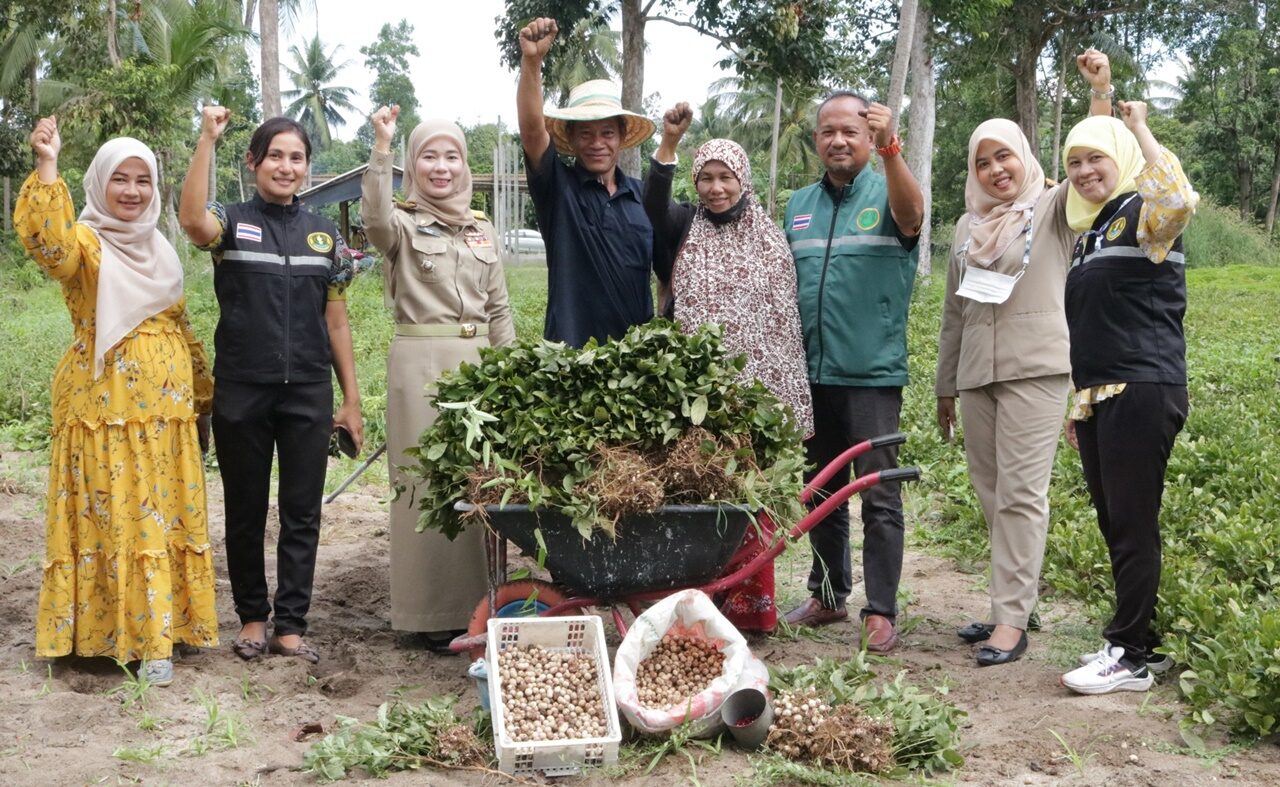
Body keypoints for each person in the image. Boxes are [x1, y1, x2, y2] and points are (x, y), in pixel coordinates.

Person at [17, 117, 218, 687]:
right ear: (99, 183)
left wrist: (202, 394)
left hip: (166, 413)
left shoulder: (161, 250)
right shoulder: (85, 242)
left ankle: (162, 632)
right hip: (101, 409)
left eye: (144, 180)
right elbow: (49, 247)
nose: (132, 191)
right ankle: (114, 635)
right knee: (112, 511)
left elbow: (181, 324)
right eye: (120, 180)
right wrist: (48, 164)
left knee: (159, 511)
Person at [935, 51, 1117, 667]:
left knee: (1020, 494)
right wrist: (945, 388)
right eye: (983, 161)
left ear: (1024, 157)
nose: (995, 169)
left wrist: (1100, 94)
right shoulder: (965, 226)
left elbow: (1094, 167)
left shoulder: (1052, 210)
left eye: (1004, 155)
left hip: (1037, 369)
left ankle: (1012, 621)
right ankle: (1014, 599)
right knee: (989, 491)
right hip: (977, 374)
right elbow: (955, 311)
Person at [179, 108, 364, 665]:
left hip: (308, 390)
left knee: (302, 510)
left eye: (297, 157)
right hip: (243, 388)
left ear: (307, 167)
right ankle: (253, 620)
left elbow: (336, 321)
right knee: (245, 507)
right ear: (254, 161)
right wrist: (206, 140)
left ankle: (291, 625)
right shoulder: (230, 222)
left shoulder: (325, 235)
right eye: (276, 156)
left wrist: (351, 400)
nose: (287, 167)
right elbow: (192, 221)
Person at [644, 103, 814, 632]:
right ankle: (698, 609)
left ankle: (751, 612)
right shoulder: (682, 225)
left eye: (726, 177)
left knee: (752, 502)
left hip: (760, 395)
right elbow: (652, 205)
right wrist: (669, 146)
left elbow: (780, 318)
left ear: (743, 179)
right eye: (707, 179)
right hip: (700, 392)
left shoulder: (768, 233)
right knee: (702, 492)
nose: (716, 188)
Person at [360, 105, 516, 650]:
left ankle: (474, 606)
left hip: (478, 368)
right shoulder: (401, 223)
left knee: (474, 484)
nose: (441, 166)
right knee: (424, 486)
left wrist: (509, 374)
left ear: (464, 164)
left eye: (451, 155)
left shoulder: (481, 229)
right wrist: (381, 150)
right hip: (420, 366)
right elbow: (374, 220)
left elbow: (498, 309)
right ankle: (427, 614)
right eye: (428, 156)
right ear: (412, 165)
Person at [1057, 102, 1197, 695]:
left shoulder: (1147, 215)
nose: (1086, 170)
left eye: (1097, 158)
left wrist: (1138, 125)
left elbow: (1180, 199)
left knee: (1133, 522)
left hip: (1142, 385)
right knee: (1117, 521)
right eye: (1075, 162)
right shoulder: (1095, 230)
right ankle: (1142, 643)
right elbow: (1093, 322)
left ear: (1124, 159)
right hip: (1101, 392)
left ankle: (1129, 653)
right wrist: (1078, 399)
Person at [781, 93, 924, 654]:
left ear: (868, 138)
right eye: (827, 132)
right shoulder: (797, 205)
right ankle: (827, 594)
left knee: (879, 494)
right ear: (816, 139)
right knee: (821, 494)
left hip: (870, 373)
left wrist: (893, 152)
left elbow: (913, 216)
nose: (838, 141)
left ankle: (881, 609)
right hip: (811, 375)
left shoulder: (890, 190)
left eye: (850, 132)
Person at [515, 16, 659, 347]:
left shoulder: (643, 197)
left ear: (622, 137)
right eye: (586, 133)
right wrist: (532, 61)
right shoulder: (557, 188)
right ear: (572, 139)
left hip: (637, 363)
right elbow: (532, 130)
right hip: (570, 361)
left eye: (607, 133)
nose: (597, 143)